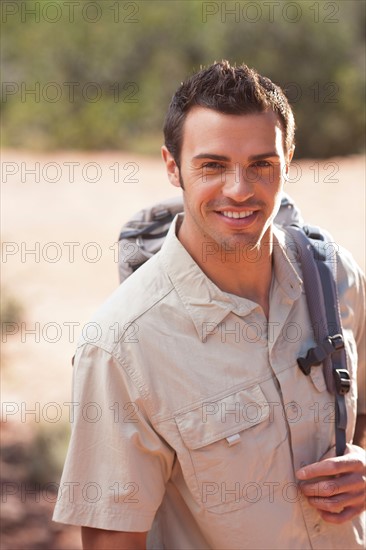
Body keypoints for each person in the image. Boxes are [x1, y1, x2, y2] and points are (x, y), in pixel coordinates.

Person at [53, 60, 365, 549]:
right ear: (173, 166)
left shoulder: (338, 278)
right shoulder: (120, 347)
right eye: (213, 165)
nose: (239, 190)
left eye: (263, 164)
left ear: (289, 159)